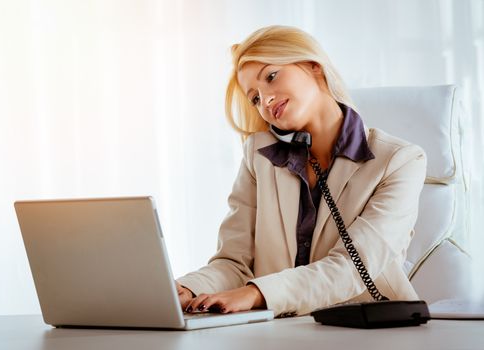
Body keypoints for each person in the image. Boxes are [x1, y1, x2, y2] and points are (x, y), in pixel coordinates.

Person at [175, 25, 426, 317]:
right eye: (254, 97)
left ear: (313, 66)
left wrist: (256, 294)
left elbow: (351, 267)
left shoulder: (400, 161)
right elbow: (234, 262)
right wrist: (188, 288)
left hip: (369, 330)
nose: (265, 100)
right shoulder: (260, 158)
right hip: (280, 332)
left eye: (271, 76)